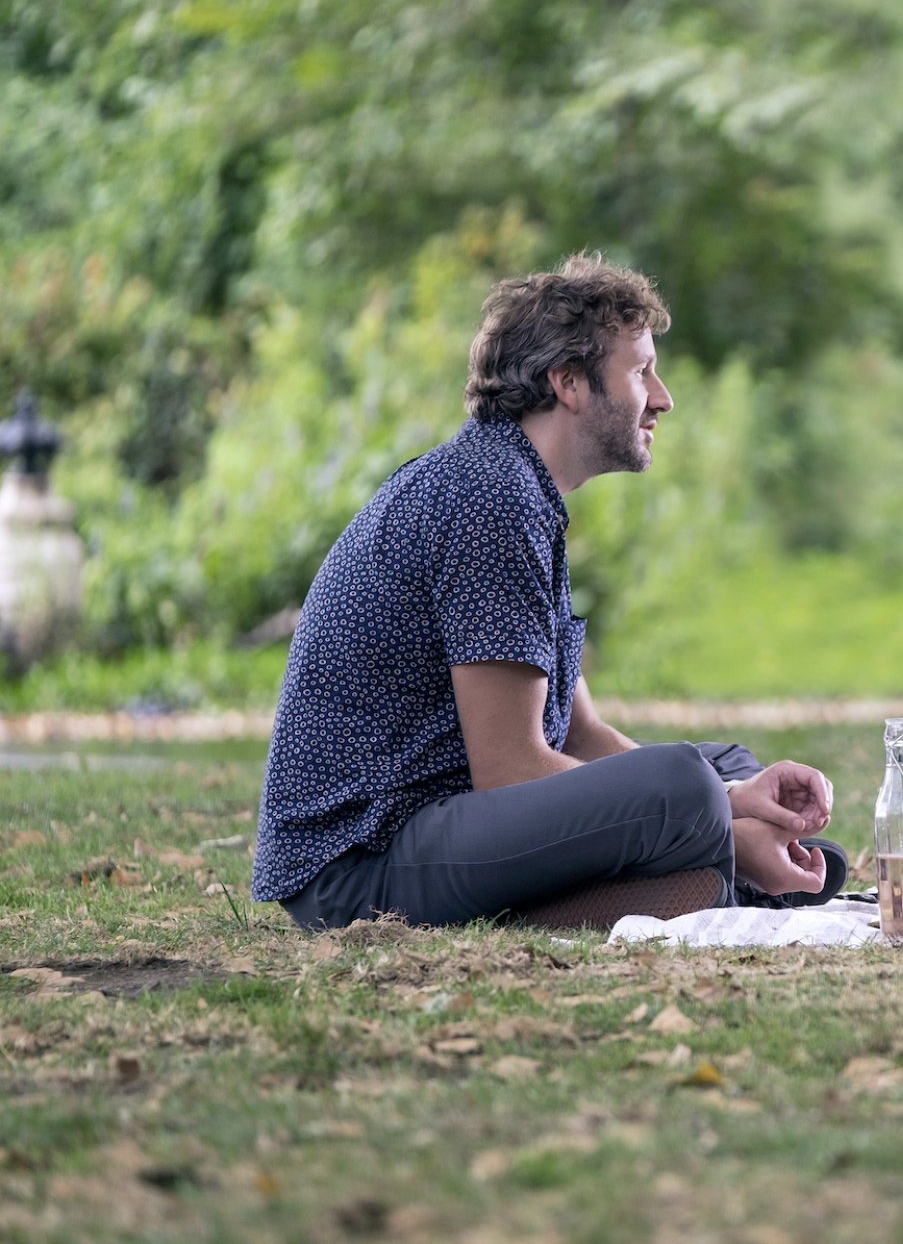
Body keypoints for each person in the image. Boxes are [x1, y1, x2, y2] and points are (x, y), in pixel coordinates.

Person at [252, 254, 846, 931]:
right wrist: (719, 816)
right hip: (361, 865)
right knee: (682, 786)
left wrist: (738, 794)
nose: (662, 396)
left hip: (440, 834)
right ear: (568, 382)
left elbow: (581, 731)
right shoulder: (491, 498)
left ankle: (707, 880)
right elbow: (510, 769)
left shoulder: (519, 489)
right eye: (640, 369)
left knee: (722, 768)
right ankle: (728, 868)